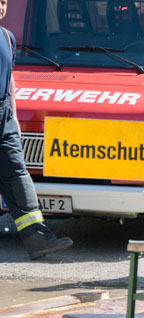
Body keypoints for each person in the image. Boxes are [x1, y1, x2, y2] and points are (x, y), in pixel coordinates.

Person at [0, 0, 72, 260]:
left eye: (4, 2)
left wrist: (15, 118)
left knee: (18, 174)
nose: (1, 6)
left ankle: (38, 239)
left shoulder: (7, 38)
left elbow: (9, 80)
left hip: (5, 116)